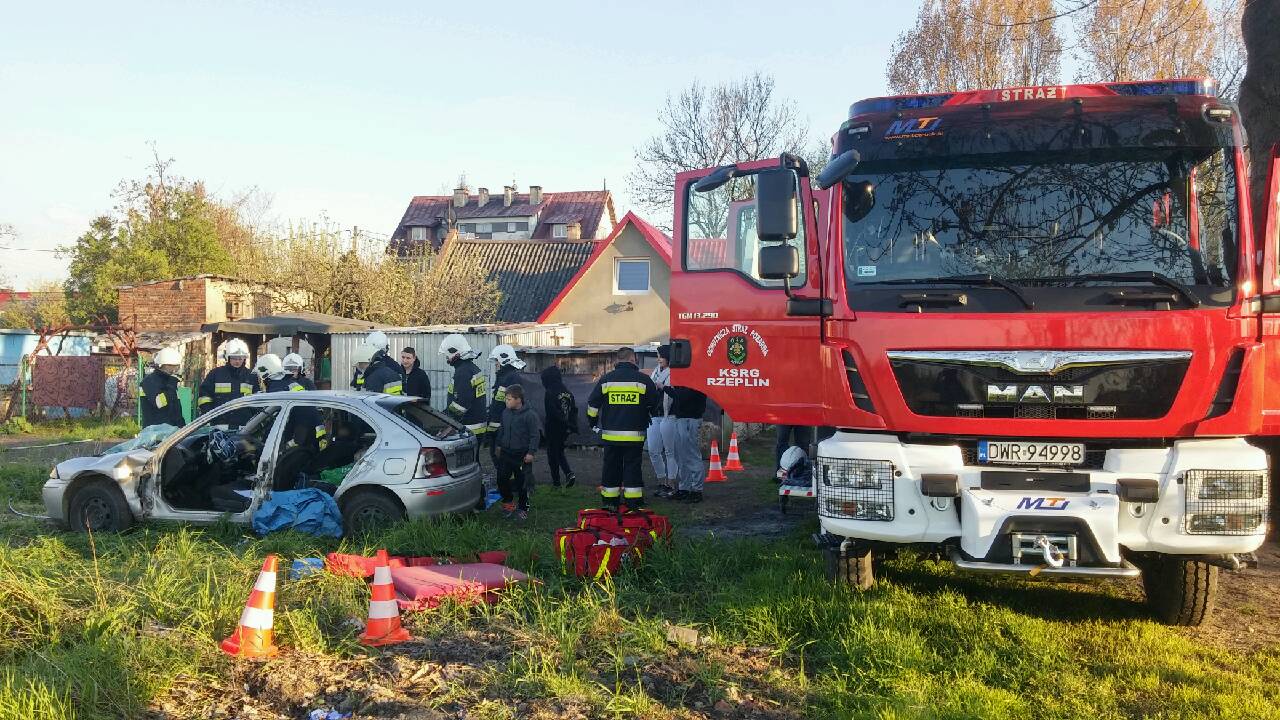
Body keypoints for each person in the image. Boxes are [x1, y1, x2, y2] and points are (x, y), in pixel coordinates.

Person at [587, 347, 660, 509]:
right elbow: (654, 405)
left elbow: (592, 404)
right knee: (632, 467)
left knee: (611, 467)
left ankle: (610, 501)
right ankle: (633, 502)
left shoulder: (606, 380)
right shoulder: (643, 380)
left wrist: (592, 422)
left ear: (617, 360)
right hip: (634, 436)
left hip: (611, 437)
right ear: (633, 359)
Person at [493, 383, 539, 520]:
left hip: (522, 455)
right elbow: (502, 430)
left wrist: (531, 452)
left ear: (518, 399)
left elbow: (534, 435)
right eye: (506, 399)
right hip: (506, 453)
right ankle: (508, 502)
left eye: (509, 399)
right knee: (501, 478)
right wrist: (499, 445)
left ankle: (523, 508)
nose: (506, 401)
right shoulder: (505, 413)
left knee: (522, 482)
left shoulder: (529, 415)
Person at [663, 384, 708, 503]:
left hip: (690, 420)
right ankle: (684, 488)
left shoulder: (694, 380)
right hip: (682, 419)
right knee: (681, 456)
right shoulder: (685, 381)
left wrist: (665, 388)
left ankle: (696, 491)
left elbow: (683, 397)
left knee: (691, 456)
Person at [440, 334, 488, 436]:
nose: (447, 358)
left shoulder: (463, 372)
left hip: (468, 427)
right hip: (477, 426)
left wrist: (445, 417)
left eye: (447, 355)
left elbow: (461, 404)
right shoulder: (472, 368)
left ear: (454, 352)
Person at [647, 345, 679, 497]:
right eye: (657, 356)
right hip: (654, 415)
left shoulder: (675, 373)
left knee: (669, 451)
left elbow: (676, 393)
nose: (658, 359)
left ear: (668, 356)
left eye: (661, 356)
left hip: (669, 415)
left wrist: (662, 386)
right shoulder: (654, 372)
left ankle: (671, 484)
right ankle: (662, 482)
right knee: (653, 450)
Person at [197, 338, 257, 419]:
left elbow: (257, 400)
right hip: (219, 424)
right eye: (234, 358)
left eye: (240, 358)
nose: (237, 361)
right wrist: (210, 414)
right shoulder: (215, 374)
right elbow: (204, 397)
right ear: (227, 357)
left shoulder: (251, 376)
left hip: (245, 425)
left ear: (244, 358)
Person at [486, 344, 526, 465]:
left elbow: (508, 406)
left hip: (505, 429)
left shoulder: (510, 378)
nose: (496, 365)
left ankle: (511, 483)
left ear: (504, 360)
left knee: (503, 461)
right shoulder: (504, 377)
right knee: (498, 458)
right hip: (499, 428)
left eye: (497, 361)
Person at [540, 364, 578, 488]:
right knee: (559, 452)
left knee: (552, 454)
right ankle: (568, 474)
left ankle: (556, 482)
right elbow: (574, 410)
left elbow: (550, 412)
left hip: (553, 427)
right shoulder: (568, 392)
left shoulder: (549, 392)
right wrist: (571, 425)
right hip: (565, 428)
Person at [139, 347, 184, 428]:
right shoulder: (150, 381)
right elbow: (159, 403)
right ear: (165, 365)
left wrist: (182, 426)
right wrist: (170, 387)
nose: (176, 369)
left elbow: (175, 410)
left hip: (172, 430)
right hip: (156, 433)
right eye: (174, 366)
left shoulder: (169, 381)